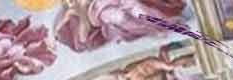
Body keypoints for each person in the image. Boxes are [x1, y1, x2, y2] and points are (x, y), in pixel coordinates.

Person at [53, 0, 186, 53]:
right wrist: (80, 13)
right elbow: (84, 37)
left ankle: (166, 20)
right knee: (123, 17)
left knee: (138, 9)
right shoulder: (73, 11)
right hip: (101, 12)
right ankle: (159, 28)